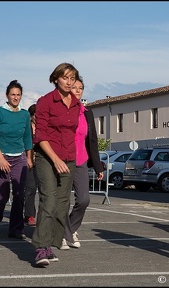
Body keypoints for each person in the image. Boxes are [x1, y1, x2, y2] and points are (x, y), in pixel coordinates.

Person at [31, 63, 81, 267]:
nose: (69, 82)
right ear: (56, 79)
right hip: (47, 158)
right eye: (65, 78)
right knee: (48, 202)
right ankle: (41, 249)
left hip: (68, 158)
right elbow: (40, 135)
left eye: (72, 78)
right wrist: (55, 159)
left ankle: (51, 245)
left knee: (62, 205)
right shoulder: (45, 102)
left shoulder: (77, 104)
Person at [60, 77, 104, 250]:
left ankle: (70, 230)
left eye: (81, 88)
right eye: (75, 88)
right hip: (63, 161)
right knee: (63, 200)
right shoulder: (62, 110)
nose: (78, 91)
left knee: (84, 199)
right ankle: (64, 234)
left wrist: (98, 165)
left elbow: (92, 140)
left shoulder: (87, 112)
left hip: (81, 160)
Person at [0, 80, 33, 240]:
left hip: (19, 157)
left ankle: (16, 228)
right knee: (2, 196)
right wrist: (0, 158)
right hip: (0, 157)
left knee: (20, 194)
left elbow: (28, 137)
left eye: (18, 94)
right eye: (13, 94)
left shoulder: (25, 114)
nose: (15, 97)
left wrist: (28, 157)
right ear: (7, 96)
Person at [24, 104, 39, 227]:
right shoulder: (27, 127)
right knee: (30, 188)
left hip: (41, 161)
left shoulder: (43, 127)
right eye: (35, 115)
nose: (37, 117)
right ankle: (30, 215)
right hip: (28, 161)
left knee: (43, 190)